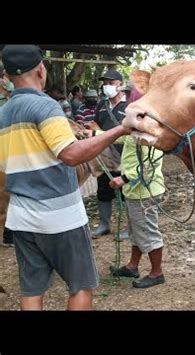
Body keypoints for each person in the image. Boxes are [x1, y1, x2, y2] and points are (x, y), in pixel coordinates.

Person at [0, 45, 130, 310]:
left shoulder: (3, 115)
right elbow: (70, 154)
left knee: (32, 292)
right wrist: (118, 131)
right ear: (40, 70)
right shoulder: (45, 106)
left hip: (22, 218)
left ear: (7, 76)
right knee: (80, 286)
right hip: (61, 217)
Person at [108, 83, 167, 288]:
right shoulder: (135, 130)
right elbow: (122, 140)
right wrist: (90, 136)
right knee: (136, 230)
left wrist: (124, 178)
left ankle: (157, 272)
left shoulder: (152, 131)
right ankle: (132, 266)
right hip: (136, 191)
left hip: (145, 191)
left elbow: (150, 164)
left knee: (147, 231)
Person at [83, 69, 128, 237]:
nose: (106, 86)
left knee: (126, 191)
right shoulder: (102, 105)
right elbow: (96, 123)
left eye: (111, 83)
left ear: (121, 85)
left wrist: (98, 131)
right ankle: (104, 224)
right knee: (103, 189)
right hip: (104, 154)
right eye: (105, 83)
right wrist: (90, 127)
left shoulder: (130, 105)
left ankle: (131, 227)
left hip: (125, 154)